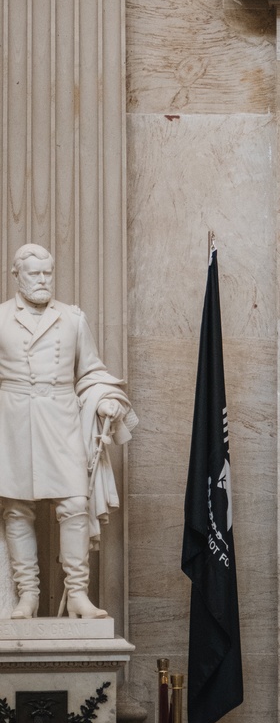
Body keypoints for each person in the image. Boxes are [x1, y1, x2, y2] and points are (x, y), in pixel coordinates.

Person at [0, 245, 137, 619]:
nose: (43, 280)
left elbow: (91, 371)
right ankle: (28, 595)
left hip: (61, 419)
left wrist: (106, 399)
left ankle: (77, 594)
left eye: (48, 273)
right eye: (35, 274)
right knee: (16, 509)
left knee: (75, 504)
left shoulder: (72, 319)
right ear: (16, 275)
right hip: (12, 423)